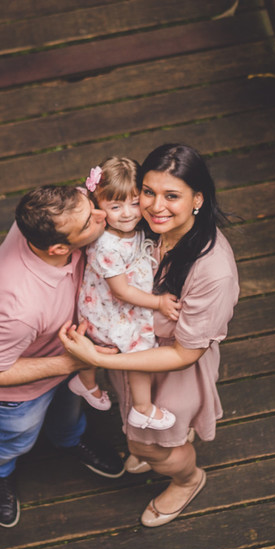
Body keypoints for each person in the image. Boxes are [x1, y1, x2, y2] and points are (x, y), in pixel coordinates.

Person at [59, 144, 239, 528]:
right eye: (149, 192)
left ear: (197, 199)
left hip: (174, 365)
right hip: (135, 347)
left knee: (146, 442)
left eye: (172, 196)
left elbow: (185, 355)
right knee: (136, 423)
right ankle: (153, 449)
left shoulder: (213, 270)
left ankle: (187, 478)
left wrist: (101, 360)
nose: (155, 206)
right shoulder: (143, 226)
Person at [0, 185, 126, 528]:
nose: (102, 215)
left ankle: (69, 439)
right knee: (15, 437)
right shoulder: (15, 307)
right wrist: (73, 363)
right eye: (89, 222)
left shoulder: (57, 214)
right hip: (18, 390)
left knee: (69, 412)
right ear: (58, 248)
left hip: (65, 352)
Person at [69, 156, 181, 431]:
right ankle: (142, 409)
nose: (128, 213)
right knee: (139, 350)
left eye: (134, 203)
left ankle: (85, 382)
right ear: (98, 205)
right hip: (109, 310)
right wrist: (158, 302)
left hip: (111, 306)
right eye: (115, 206)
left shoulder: (133, 230)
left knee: (101, 346)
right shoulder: (106, 245)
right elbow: (120, 291)